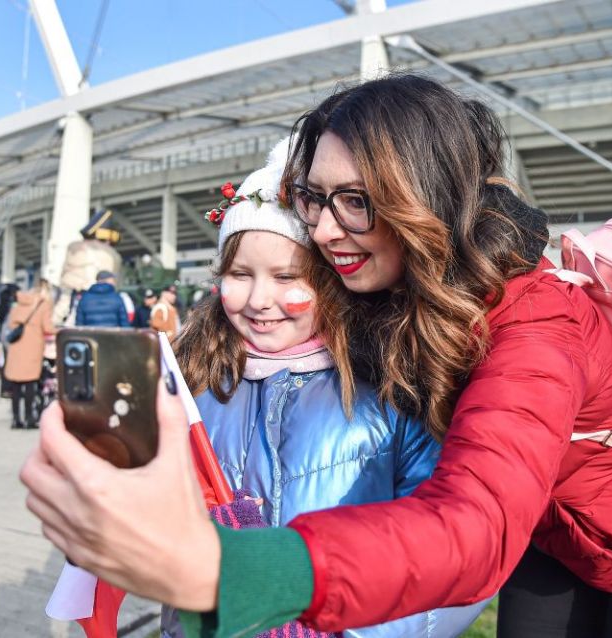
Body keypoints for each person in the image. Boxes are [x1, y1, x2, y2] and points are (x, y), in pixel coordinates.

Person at [21, 75, 612, 638]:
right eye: (312, 197)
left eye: (357, 201)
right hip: (552, 535)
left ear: (424, 197)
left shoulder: (536, 324)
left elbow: (475, 527)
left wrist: (225, 568)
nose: (325, 228)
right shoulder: (383, 282)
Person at [155, 140, 485, 637]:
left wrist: (346, 628)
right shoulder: (194, 384)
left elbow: (452, 556)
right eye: (240, 274)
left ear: (332, 280)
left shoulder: (393, 388)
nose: (260, 300)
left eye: (287, 276)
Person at [5, 280, 55, 429]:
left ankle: (15, 419)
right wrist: (60, 330)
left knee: (16, 385)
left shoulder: (18, 303)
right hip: (33, 347)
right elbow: (48, 327)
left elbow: (10, 324)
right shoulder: (43, 305)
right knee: (30, 384)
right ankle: (29, 418)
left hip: (16, 347)